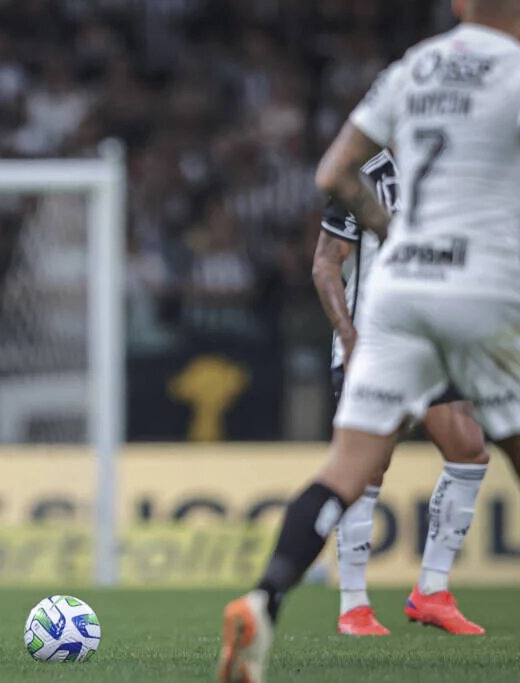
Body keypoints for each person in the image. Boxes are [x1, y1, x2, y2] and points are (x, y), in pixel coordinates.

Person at [219, 1, 520, 681]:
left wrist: (394, 234)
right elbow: (325, 257)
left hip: (401, 292)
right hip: (476, 293)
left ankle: (265, 598)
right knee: (425, 458)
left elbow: (331, 173)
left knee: (355, 468)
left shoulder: (411, 70)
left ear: (458, 4)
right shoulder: (512, 73)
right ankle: (356, 602)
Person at [314, 150, 488, 636]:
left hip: (433, 343)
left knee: (469, 449)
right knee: (367, 468)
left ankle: (431, 590)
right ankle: (353, 605)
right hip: (373, 343)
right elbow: (325, 264)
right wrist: (348, 337)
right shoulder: (363, 177)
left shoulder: (458, 172)